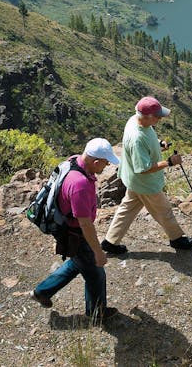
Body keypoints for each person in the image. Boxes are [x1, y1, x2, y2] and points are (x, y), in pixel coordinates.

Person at [32, 137, 120, 322]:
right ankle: (97, 313)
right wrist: (98, 252)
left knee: (78, 262)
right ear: (96, 162)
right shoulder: (79, 184)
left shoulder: (73, 161)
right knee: (96, 272)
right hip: (75, 233)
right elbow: (85, 224)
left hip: (66, 228)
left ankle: (42, 291)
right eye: (105, 163)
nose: (105, 167)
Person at [101, 96, 192, 254]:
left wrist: (158, 144)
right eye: (157, 116)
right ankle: (177, 239)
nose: (160, 118)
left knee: (127, 209)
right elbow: (143, 169)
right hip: (145, 183)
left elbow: (148, 139)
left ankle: (110, 241)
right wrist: (169, 162)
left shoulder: (135, 120)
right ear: (147, 116)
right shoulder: (137, 139)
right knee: (164, 210)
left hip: (133, 180)